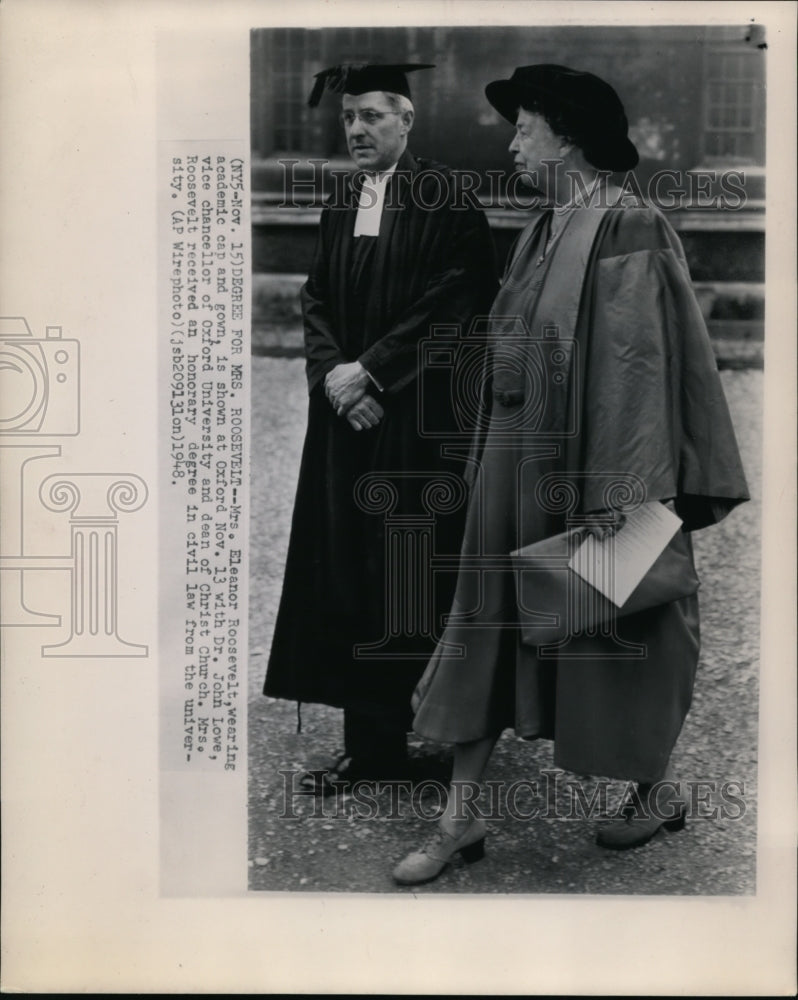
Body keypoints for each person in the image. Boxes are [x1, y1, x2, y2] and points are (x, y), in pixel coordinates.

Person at [392, 64, 750, 884]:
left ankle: (653, 793)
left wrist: (621, 495)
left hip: (593, 468)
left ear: (569, 136)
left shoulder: (629, 225)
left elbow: (640, 365)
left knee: (621, 632)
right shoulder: (540, 226)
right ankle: (461, 816)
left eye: (524, 128)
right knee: (483, 625)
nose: (513, 143)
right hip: (516, 460)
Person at [264, 63, 497, 793]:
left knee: (404, 572)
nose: (358, 129)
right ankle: (369, 747)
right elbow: (317, 297)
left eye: (372, 116)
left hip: (408, 424)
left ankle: (428, 731)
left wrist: (373, 372)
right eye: (349, 118)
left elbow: (457, 301)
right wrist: (335, 376)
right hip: (345, 421)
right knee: (344, 573)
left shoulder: (449, 198)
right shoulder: (341, 198)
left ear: (407, 120)